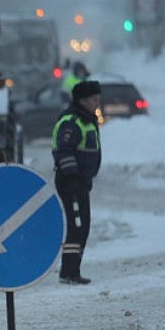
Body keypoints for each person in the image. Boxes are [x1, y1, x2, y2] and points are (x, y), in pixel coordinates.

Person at [52, 79, 102, 285]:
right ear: (82, 100)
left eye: (98, 99)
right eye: (93, 100)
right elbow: (64, 151)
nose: (97, 104)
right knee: (77, 226)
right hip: (70, 182)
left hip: (81, 182)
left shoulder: (87, 120)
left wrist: (85, 178)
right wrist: (72, 178)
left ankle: (74, 269)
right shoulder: (72, 122)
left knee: (84, 225)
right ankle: (69, 272)